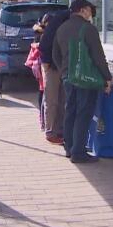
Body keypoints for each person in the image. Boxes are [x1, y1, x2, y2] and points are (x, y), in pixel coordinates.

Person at [52, 0, 112, 164]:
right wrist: (107, 77)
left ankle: (69, 147)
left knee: (70, 110)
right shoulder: (88, 28)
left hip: (67, 77)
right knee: (83, 113)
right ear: (84, 10)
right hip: (85, 78)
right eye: (90, 12)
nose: (91, 15)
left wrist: (64, 71)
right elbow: (98, 56)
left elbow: (55, 54)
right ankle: (78, 151)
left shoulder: (61, 28)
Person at [38, 8, 70, 144]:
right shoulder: (60, 23)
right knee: (52, 100)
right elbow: (44, 43)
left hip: (62, 67)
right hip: (52, 66)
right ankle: (50, 131)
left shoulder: (66, 22)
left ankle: (59, 130)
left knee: (61, 99)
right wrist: (45, 62)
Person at [25, 17, 46, 131]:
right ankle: (43, 121)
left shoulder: (37, 37)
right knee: (44, 95)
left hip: (39, 71)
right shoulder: (44, 37)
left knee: (42, 93)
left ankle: (42, 120)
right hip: (44, 70)